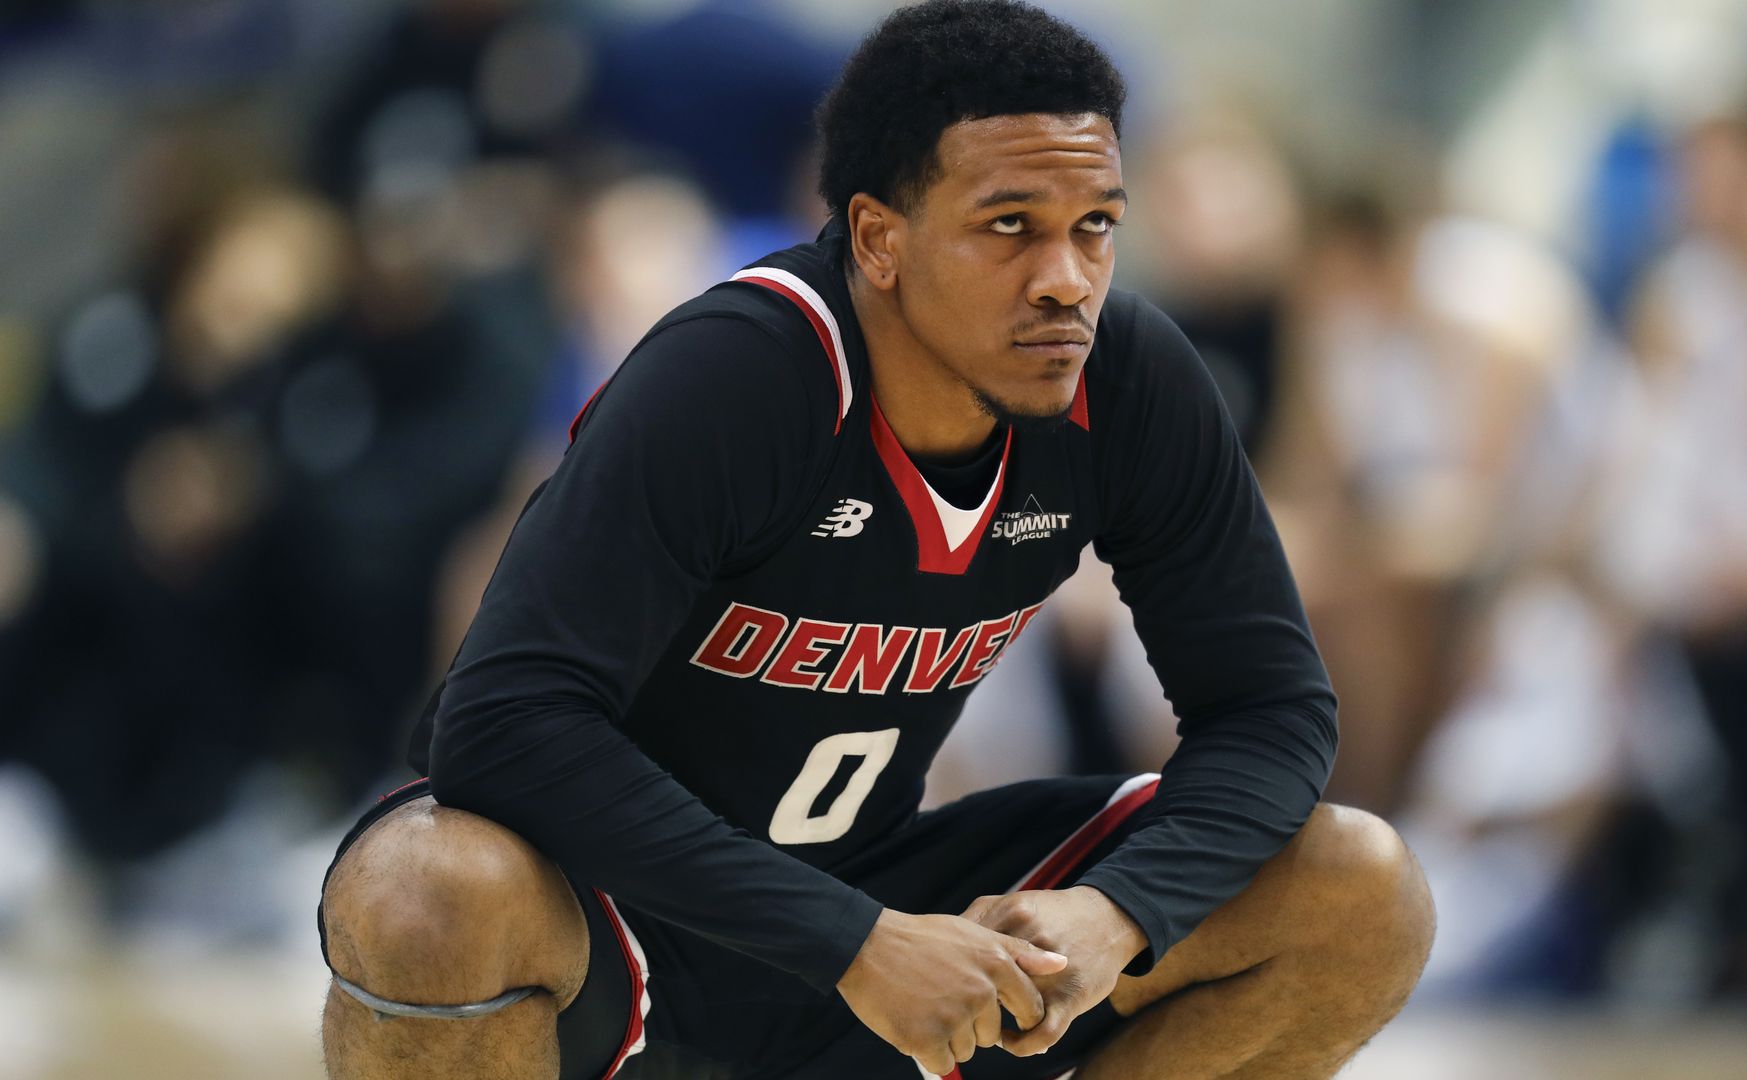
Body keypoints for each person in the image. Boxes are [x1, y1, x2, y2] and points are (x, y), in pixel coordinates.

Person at [316, 4, 1434, 1079]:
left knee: (1358, 888)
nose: (1066, 278)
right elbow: (499, 725)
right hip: (621, 913)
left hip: (880, 887)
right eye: (1010, 227)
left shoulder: (1129, 382)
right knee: (425, 888)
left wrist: (1117, 914)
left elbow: (1273, 710)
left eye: (1095, 225)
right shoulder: (741, 374)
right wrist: (852, 942)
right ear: (878, 238)